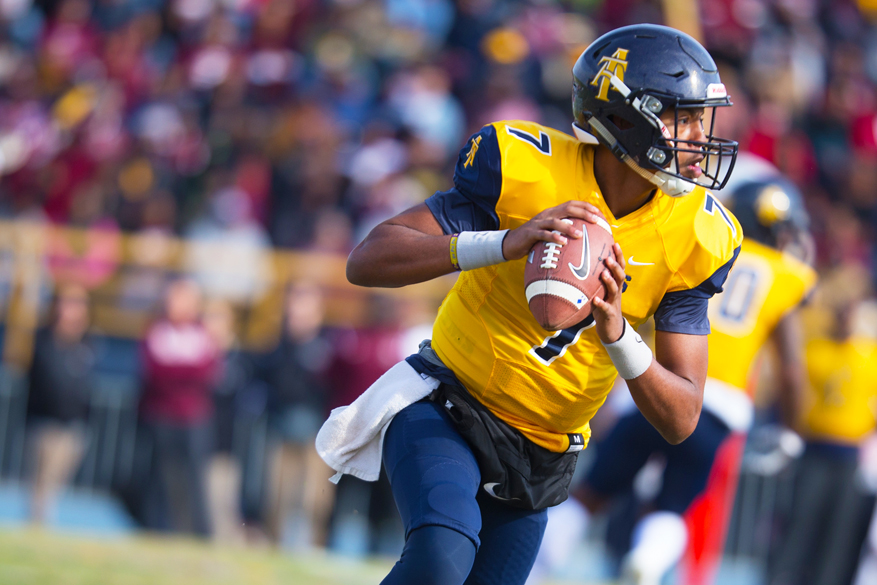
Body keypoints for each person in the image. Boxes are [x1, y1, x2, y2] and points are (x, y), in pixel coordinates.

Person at [320, 24, 742, 585]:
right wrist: (502, 243)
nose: (697, 137)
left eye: (700, 119)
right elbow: (368, 259)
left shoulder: (699, 234)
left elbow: (682, 417)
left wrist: (618, 332)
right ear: (624, 116)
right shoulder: (525, 167)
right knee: (441, 558)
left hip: (543, 452)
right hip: (449, 403)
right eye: (681, 117)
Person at [528, 171, 818, 585]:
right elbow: (790, 370)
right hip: (715, 408)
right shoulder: (788, 276)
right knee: (674, 504)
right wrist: (791, 430)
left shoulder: (706, 250)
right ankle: (647, 561)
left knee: (594, 492)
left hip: (654, 385)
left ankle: (536, 571)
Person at [769, 265, 877, 585]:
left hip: (850, 456)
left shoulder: (869, 356)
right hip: (814, 448)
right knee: (800, 523)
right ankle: (780, 577)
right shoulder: (813, 350)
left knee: (839, 533)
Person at [139, 277, 219, 537]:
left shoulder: (203, 333)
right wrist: (186, 372)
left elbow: (206, 373)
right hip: (162, 416)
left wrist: (175, 370)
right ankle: (157, 529)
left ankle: (197, 532)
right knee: (160, 478)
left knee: (195, 480)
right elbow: (156, 373)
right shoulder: (157, 330)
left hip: (194, 418)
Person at [27, 283, 96, 524]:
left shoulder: (87, 342)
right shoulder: (44, 339)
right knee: (41, 486)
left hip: (75, 425)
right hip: (46, 423)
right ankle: (37, 528)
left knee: (56, 486)